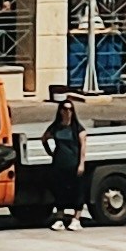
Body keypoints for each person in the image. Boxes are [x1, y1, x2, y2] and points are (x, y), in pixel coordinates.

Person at [41, 89, 89, 232]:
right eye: (64, 109)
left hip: (74, 164)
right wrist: (50, 153)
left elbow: (83, 147)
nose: (67, 112)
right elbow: (44, 138)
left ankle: (76, 219)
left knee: (77, 191)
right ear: (60, 111)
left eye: (70, 109)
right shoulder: (56, 127)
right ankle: (60, 218)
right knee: (59, 191)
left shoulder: (78, 129)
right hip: (59, 164)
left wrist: (81, 164)